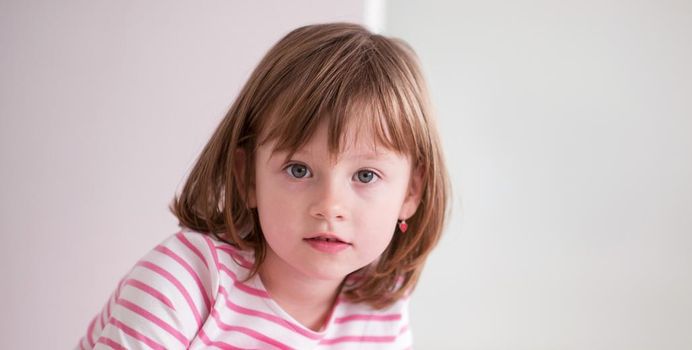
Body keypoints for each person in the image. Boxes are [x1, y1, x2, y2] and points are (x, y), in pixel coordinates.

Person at [78, 22, 450, 349]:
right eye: (299, 170)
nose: (329, 206)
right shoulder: (185, 281)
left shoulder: (381, 308)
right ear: (247, 177)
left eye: (365, 176)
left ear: (411, 192)